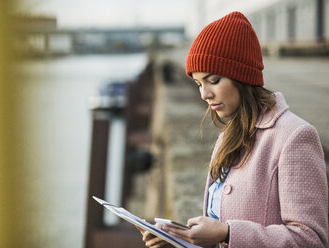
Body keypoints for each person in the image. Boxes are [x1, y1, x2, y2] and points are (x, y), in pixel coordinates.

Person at [138, 11, 328, 247]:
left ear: (242, 77)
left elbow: (311, 240)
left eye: (214, 80)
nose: (204, 94)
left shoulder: (295, 137)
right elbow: (220, 224)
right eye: (198, 83)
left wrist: (227, 233)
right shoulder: (228, 136)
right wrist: (180, 236)